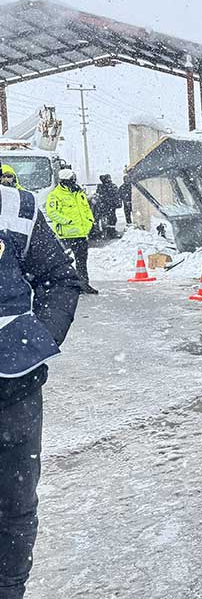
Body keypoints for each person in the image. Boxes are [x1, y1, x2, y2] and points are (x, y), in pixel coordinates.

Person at [0, 182, 82, 597]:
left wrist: (33, 341)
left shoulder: (17, 207)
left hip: (14, 391)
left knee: (14, 507)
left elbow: (61, 281)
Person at [44, 169, 96, 295]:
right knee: (62, 263)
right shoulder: (55, 195)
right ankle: (63, 286)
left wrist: (90, 221)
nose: (74, 180)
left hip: (81, 233)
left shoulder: (78, 192)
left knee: (82, 261)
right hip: (66, 235)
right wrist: (67, 221)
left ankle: (84, 285)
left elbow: (86, 209)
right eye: (72, 178)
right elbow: (52, 212)